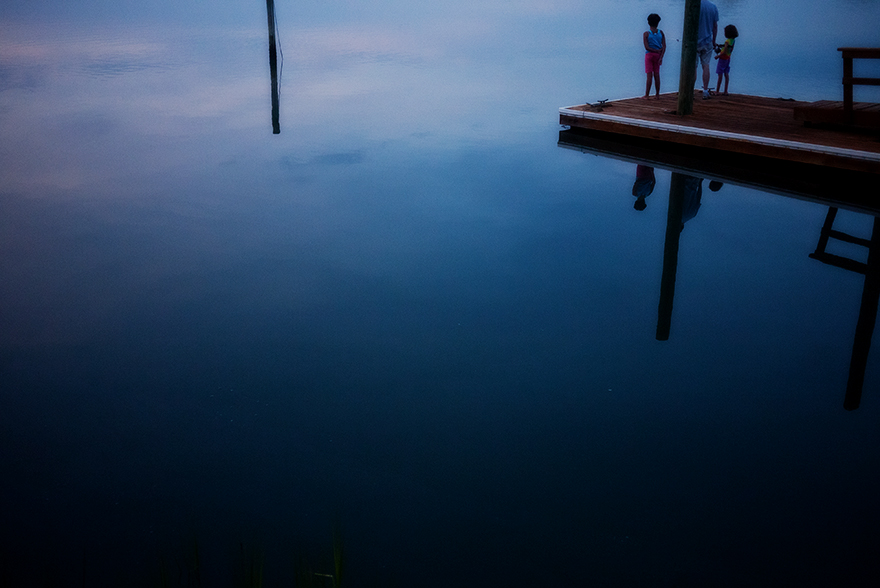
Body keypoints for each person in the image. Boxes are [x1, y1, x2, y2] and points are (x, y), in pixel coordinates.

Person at [696, 0, 719, 100]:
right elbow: (715, 26)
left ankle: (689, 91)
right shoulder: (713, 7)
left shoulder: (695, 5)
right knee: (706, 65)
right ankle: (705, 91)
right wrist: (714, 41)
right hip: (707, 41)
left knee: (693, 67)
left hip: (694, 42)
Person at [643, 13, 666, 99]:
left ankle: (647, 95)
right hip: (657, 56)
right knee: (657, 74)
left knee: (649, 75)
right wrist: (661, 56)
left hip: (649, 55)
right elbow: (664, 46)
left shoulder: (646, 34)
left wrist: (655, 50)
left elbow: (647, 47)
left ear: (648, 23)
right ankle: (657, 94)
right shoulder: (661, 33)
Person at [714, 25, 739, 96]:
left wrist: (718, 56)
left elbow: (724, 51)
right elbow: (727, 48)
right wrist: (720, 45)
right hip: (728, 58)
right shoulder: (732, 41)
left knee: (720, 74)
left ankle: (717, 91)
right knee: (726, 74)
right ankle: (725, 91)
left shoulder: (727, 41)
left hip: (722, 59)